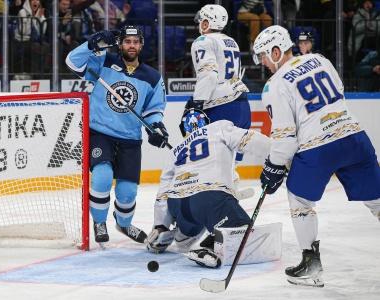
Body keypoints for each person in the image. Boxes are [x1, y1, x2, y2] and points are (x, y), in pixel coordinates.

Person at [252, 25, 380, 287]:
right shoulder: (320, 59)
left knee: (299, 198)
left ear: (276, 51)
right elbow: (339, 91)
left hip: (318, 147)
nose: (263, 63)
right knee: (377, 200)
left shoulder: (274, 85)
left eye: (264, 56)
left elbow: (286, 137)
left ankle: (311, 264)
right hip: (354, 136)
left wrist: (273, 166)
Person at [65, 25, 169, 246]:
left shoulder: (152, 77)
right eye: (127, 41)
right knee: (102, 176)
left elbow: (153, 109)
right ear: (120, 43)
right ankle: (99, 222)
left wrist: (156, 127)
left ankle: (123, 223)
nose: (131, 46)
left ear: (141, 45)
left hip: (130, 139)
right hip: (100, 132)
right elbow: (72, 62)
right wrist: (91, 44)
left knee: (127, 191)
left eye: (135, 42)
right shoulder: (103, 62)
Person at [145, 108, 273, 268]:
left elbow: (163, 192)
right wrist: (280, 154)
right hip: (210, 198)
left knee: (189, 232)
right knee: (247, 237)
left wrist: (161, 225)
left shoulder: (176, 150)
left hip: (178, 205)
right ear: (206, 122)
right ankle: (210, 247)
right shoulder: (219, 127)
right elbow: (250, 140)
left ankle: (179, 234)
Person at [188, 4, 251, 199]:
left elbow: (209, 75)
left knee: (213, 162)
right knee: (230, 159)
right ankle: (231, 189)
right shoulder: (231, 41)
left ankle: (224, 201)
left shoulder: (203, 40)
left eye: (201, 21)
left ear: (206, 23)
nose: (199, 24)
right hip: (242, 104)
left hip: (221, 106)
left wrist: (197, 104)